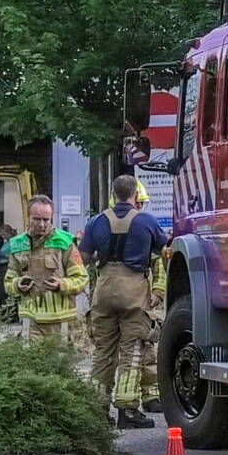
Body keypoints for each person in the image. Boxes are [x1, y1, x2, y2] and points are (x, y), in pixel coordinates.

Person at [80, 175, 166, 429]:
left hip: (104, 288)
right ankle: (127, 411)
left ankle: (98, 409)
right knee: (132, 351)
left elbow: (83, 256)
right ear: (135, 195)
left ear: (113, 193)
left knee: (102, 352)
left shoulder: (96, 221)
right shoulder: (146, 221)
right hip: (133, 290)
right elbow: (163, 250)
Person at [4, 195, 89, 341]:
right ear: (28, 217)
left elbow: (82, 279)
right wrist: (18, 284)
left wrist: (61, 284)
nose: (42, 224)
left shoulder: (64, 242)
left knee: (60, 363)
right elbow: (8, 283)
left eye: (46, 220)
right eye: (37, 219)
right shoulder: (18, 244)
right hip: (30, 322)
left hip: (62, 324)